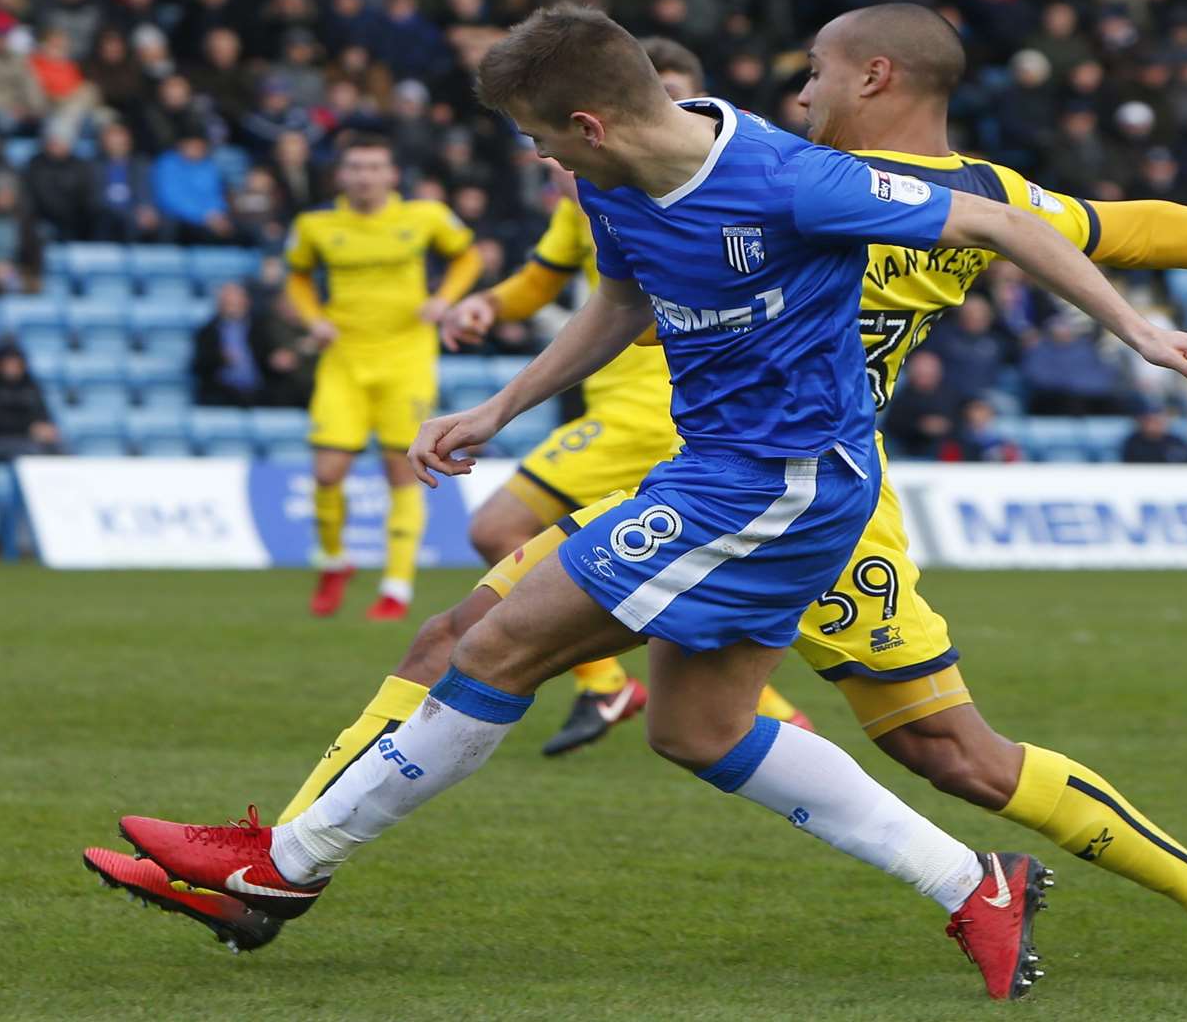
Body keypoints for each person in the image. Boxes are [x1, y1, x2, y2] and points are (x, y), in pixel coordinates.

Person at [94, 4, 1187, 1002]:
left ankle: (283, 869)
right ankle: (974, 886)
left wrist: (1144, 332)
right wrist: (500, 407)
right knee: (695, 731)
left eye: (538, 139)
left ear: (590, 122)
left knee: (496, 644)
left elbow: (997, 221)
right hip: (717, 475)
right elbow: (623, 302)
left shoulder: (789, 180)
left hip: (785, 484)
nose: (541, 163)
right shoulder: (617, 183)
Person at [438, 39, 813, 750]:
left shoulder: (735, 186)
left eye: (675, 94)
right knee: (674, 594)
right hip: (622, 406)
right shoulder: (596, 195)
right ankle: (769, 717)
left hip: (663, 413)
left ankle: (610, 687)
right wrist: (489, 305)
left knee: (500, 533)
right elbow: (549, 283)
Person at [287, 133, 484, 621]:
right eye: (355, 167)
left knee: (403, 471)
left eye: (374, 167)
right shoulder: (316, 225)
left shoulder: (425, 217)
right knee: (326, 472)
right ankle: (334, 561)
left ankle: (396, 587)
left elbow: (469, 255)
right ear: (341, 174)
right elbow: (296, 276)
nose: (364, 176)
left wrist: (446, 297)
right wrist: (313, 317)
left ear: (392, 175)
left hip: (406, 362)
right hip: (344, 362)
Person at [0, 345, 61, 460]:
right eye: (8, 362)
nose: (12, 367)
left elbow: (43, 413)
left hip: (31, 438)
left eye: (16, 363)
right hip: (0, 439)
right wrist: (28, 428)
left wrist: (45, 429)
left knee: (60, 447)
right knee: (32, 452)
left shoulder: (31, 386)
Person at [191, 282, 273, 407]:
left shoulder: (261, 329)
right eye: (229, 303)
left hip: (259, 394)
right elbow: (198, 366)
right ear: (220, 304)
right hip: (221, 395)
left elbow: (269, 359)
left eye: (237, 302)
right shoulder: (207, 332)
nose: (234, 307)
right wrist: (220, 358)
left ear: (247, 302)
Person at [150, 130, 235, 244]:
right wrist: (204, 216)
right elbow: (171, 198)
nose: (198, 149)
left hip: (211, 218)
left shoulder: (209, 166)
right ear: (181, 146)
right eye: (194, 146)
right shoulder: (167, 164)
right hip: (178, 217)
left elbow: (216, 194)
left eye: (201, 146)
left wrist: (217, 213)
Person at [884, 350, 966, 458]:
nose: (925, 376)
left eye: (929, 373)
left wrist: (944, 425)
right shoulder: (901, 395)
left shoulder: (951, 394)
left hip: (945, 448)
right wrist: (921, 426)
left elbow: (961, 420)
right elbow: (892, 424)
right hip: (906, 448)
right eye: (921, 373)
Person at [1120, 404, 1187, 464]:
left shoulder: (1176, 442)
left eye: (1158, 421)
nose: (1154, 425)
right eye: (1150, 420)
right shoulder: (1133, 442)